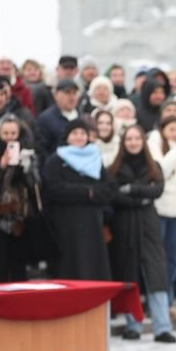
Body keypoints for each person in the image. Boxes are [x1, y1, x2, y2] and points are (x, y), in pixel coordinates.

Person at [108, 124, 176, 343]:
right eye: (129, 139)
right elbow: (113, 195)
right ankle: (133, 325)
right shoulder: (114, 168)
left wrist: (131, 189)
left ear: (143, 141)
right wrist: (141, 196)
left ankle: (162, 327)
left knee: (156, 273)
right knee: (130, 275)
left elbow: (157, 190)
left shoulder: (154, 165)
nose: (133, 142)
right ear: (123, 142)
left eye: (137, 138)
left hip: (148, 224)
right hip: (125, 224)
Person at [43, 119, 115, 280]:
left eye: (83, 133)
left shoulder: (95, 158)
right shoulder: (56, 160)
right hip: (66, 222)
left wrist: (92, 193)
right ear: (67, 136)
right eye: (74, 133)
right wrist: (87, 192)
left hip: (93, 222)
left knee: (93, 264)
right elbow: (55, 188)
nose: (79, 137)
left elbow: (107, 188)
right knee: (71, 265)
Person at [0, 114, 40, 283]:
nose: (9, 137)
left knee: (19, 270)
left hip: (21, 220)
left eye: (13, 133)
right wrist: (1, 167)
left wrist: (26, 168)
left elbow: (36, 186)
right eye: (5, 133)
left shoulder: (28, 155)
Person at [147, 115, 176, 317]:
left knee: (173, 259)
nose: (174, 133)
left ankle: (168, 300)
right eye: (171, 129)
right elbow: (160, 170)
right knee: (159, 259)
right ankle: (158, 303)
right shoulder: (154, 143)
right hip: (160, 208)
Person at [36, 79, 81, 162]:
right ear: (56, 95)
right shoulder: (46, 119)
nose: (72, 97)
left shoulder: (81, 117)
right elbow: (42, 150)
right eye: (67, 93)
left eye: (74, 93)